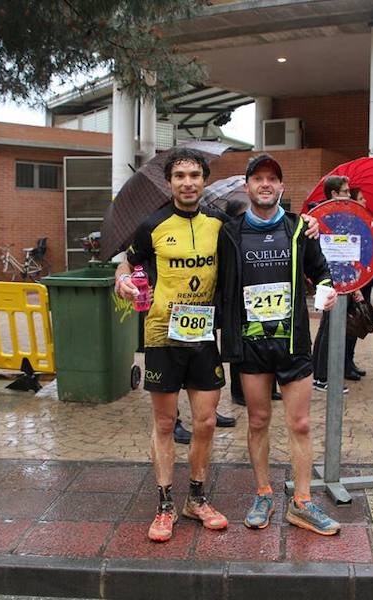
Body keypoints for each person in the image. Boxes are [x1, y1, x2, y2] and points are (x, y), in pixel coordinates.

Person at [217, 154, 341, 536]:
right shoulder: (229, 232)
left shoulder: (300, 228)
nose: (265, 184)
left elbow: (322, 273)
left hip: (292, 342)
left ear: (282, 188)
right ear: (248, 187)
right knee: (257, 420)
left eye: (272, 179)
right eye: (258, 179)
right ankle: (264, 493)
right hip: (251, 343)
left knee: (300, 423)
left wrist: (326, 291)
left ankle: (302, 502)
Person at [115, 147, 229, 542]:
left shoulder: (220, 223)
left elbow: (257, 234)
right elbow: (128, 264)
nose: (187, 182)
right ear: (170, 183)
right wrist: (122, 281)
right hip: (162, 334)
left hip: (203, 336)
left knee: (206, 422)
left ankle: (195, 500)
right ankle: (165, 505)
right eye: (180, 176)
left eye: (194, 175)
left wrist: (312, 226)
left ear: (204, 180)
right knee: (165, 423)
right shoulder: (152, 224)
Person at [311, 176, 364, 391]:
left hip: (339, 280)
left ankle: (320, 374)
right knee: (329, 327)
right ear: (334, 194)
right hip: (330, 280)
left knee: (328, 326)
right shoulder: (323, 218)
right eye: (345, 191)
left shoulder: (342, 217)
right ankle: (323, 376)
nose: (349, 195)